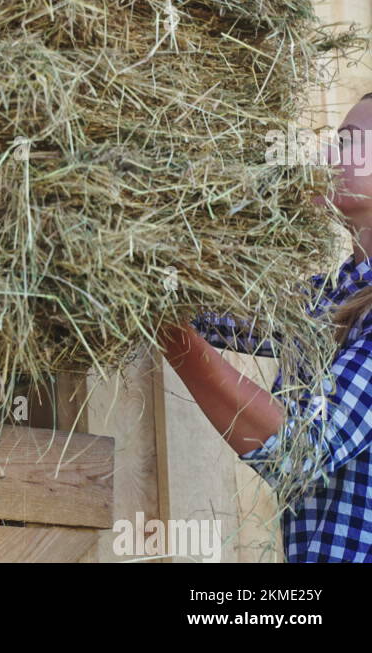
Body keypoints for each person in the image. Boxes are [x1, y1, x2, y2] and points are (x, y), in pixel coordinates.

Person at [159, 93, 372, 563]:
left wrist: (169, 335)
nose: (327, 157)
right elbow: (209, 314)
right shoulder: (332, 296)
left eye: (348, 142)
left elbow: (301, 452)